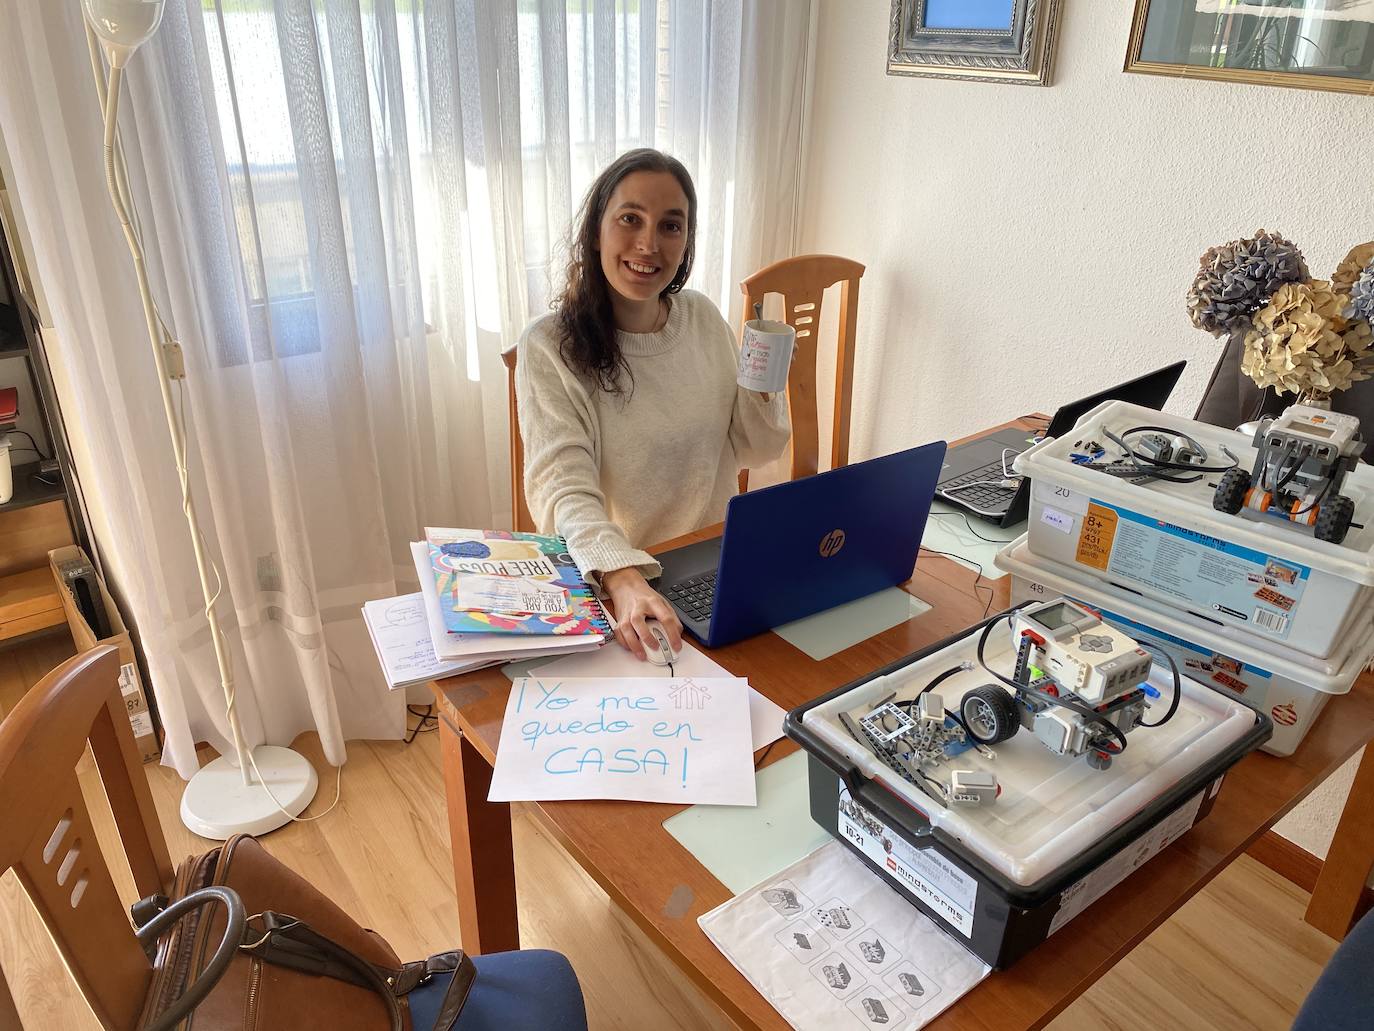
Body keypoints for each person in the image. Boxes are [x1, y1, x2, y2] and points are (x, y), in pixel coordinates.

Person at [516, 148, 791, 660]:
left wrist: (764, 384)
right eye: (630, 219)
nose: (648, 244)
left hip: (718, 570)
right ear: (597, 228)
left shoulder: (703, 318)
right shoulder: (550, 345)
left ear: (686, 242)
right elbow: (562, 490)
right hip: (621, 584)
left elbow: (757, 449)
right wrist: (622, 576)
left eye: (670, 226)